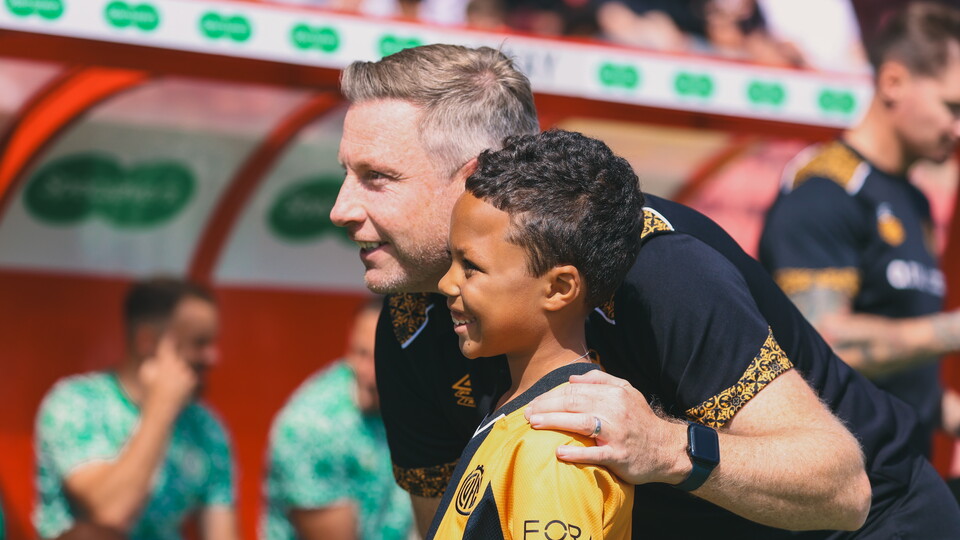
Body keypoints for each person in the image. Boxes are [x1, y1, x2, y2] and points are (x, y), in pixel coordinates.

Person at [331, 43, 960, 538]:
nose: (341, 208)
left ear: (472, 176)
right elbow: (447, 525)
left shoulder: (652, 264)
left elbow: (844, 489)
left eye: (376, 177)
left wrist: (662, 445)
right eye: (345, 174)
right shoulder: (408, 322)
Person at [759, 1, 960, 458]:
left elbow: (908, 384)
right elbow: (822, 344)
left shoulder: (915, 199)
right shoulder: (825, 189)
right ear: (893, 83)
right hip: (840, 477)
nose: (958, 128)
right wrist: (952, 331)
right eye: (952, 107)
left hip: (907, 467)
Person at [428, 130, 636, 538]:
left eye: (471, 267)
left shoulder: (553, 450)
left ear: (558, 288)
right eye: (450, 260)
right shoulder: (522, 412)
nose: (446, 283)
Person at [33, 278, 236, 540]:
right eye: (199, 343)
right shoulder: (75, 404)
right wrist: (161, 406)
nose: (213, 357)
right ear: (146, 341)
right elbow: (110, 512)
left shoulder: (205, 426)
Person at [260, 297, 413, 540]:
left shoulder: (420, 403)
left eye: (384, 358)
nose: (369, 373)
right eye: (361, 353)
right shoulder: (311, 427)